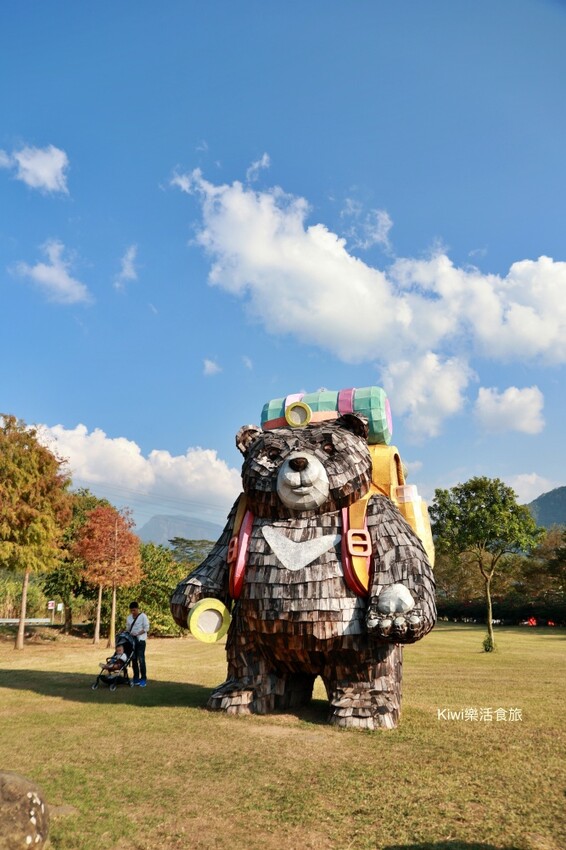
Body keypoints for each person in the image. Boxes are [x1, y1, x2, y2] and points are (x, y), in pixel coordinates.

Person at [126, 600, 150, 686]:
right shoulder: (129, 618)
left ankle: (143, 679)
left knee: (141, 660)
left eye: (134, 610)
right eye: (131, 610)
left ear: (137, 609)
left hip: (140, 640)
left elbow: (146, 628)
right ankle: (136, 678)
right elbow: (128, 629)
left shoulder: (143, 616)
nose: (133, 612)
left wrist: (138, 633)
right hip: (132, 641)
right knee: (134, 660)